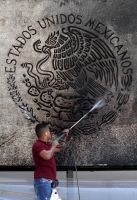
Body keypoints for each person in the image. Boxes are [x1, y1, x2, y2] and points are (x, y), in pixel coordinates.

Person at [32, 121, 69, 200]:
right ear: (45, 133)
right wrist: (53, 145)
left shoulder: (47, 145)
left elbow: (59, 149)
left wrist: (64, 137)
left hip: (50, 181)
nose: (50, 133)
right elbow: (47, 156)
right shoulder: (38, 145)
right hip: (43, 181)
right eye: (49, 131)